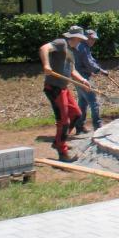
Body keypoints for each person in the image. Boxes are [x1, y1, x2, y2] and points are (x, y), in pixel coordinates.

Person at [39, 26, 92, 162]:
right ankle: (62, 151)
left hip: (63, 88)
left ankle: (59, 141)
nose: (81, 41)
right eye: (80, 38)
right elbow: (44, 48)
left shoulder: (72, 51)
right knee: (64, 121)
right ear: (75, 37)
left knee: (76, 115)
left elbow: (72, 71)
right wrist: (46, 65)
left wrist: (83, 80)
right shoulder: (61, 43)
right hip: (54, 87)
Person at [73, 29, 109, 134]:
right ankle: (98, 127)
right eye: (91, 39)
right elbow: (89, 63)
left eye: (94, 39)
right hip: (83, 78)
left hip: (78, 77)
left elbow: (90, 61)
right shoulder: (83, 47)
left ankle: (79, 127)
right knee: (94, 101)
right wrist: (101, 71)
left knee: (83, 102)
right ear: (86, 38)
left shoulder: (82, 46)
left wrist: (96, 70)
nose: (93, 41)